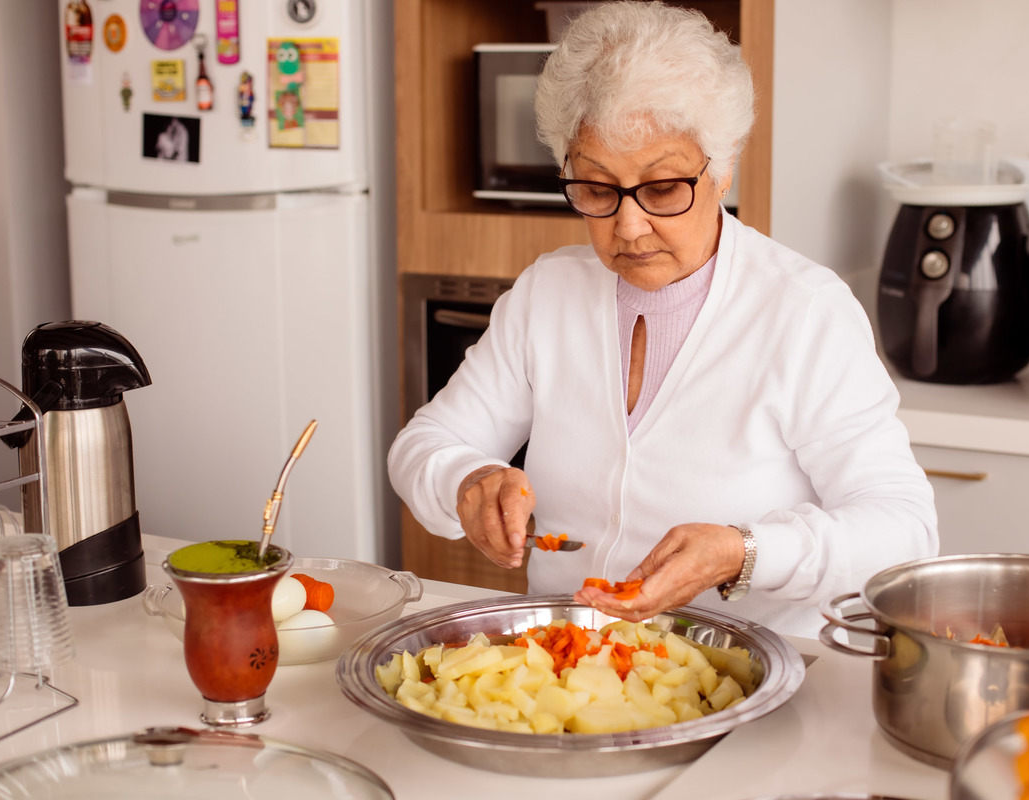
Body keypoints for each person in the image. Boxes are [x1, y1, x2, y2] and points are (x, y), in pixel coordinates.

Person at [388, 1, 937, 636]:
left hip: (754, 674)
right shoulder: (549, 293)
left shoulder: (804, 310)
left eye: (663, 188)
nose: (628, 226)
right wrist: (467, 478)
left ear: (722, 167)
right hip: (570, 658)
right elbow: (421, 446)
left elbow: (904, 531)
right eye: (596, 189)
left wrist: (745, 551)